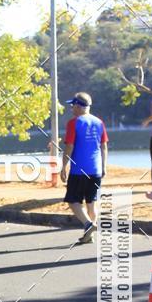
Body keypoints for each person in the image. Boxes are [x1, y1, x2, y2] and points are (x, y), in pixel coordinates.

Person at [60, 92, 108, 244]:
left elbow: (69, 146)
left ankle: (88, 224)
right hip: (96, 170)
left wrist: (63, 166)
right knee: (91, 203)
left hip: (79, 170)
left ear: (78, 106)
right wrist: (104, 166)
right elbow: (104, 146)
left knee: (73, 200)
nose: (71, 108)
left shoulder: (73, 123)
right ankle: (89, 235)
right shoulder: (99, 122)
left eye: (72, 105)